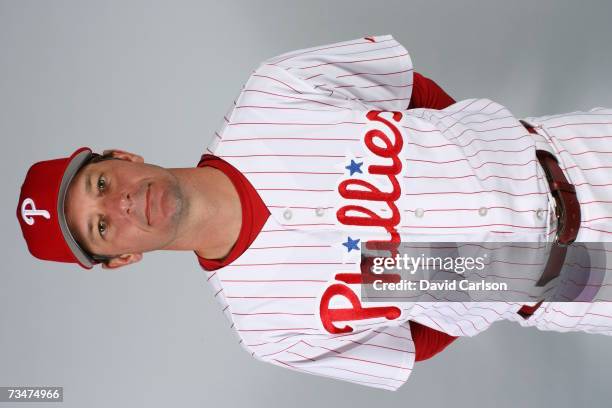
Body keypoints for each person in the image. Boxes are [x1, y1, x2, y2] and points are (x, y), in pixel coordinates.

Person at [17, 35, 612, 390]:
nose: (119, 203)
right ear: (120, 257)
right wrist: (511, 276)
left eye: (99, 182)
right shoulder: (266, 327)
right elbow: (415, 338)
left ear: (121, 156)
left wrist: (482, 158)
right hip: (575, 279)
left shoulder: (275, 90)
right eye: (100, 225)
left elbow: (411, 90)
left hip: (576, 152)